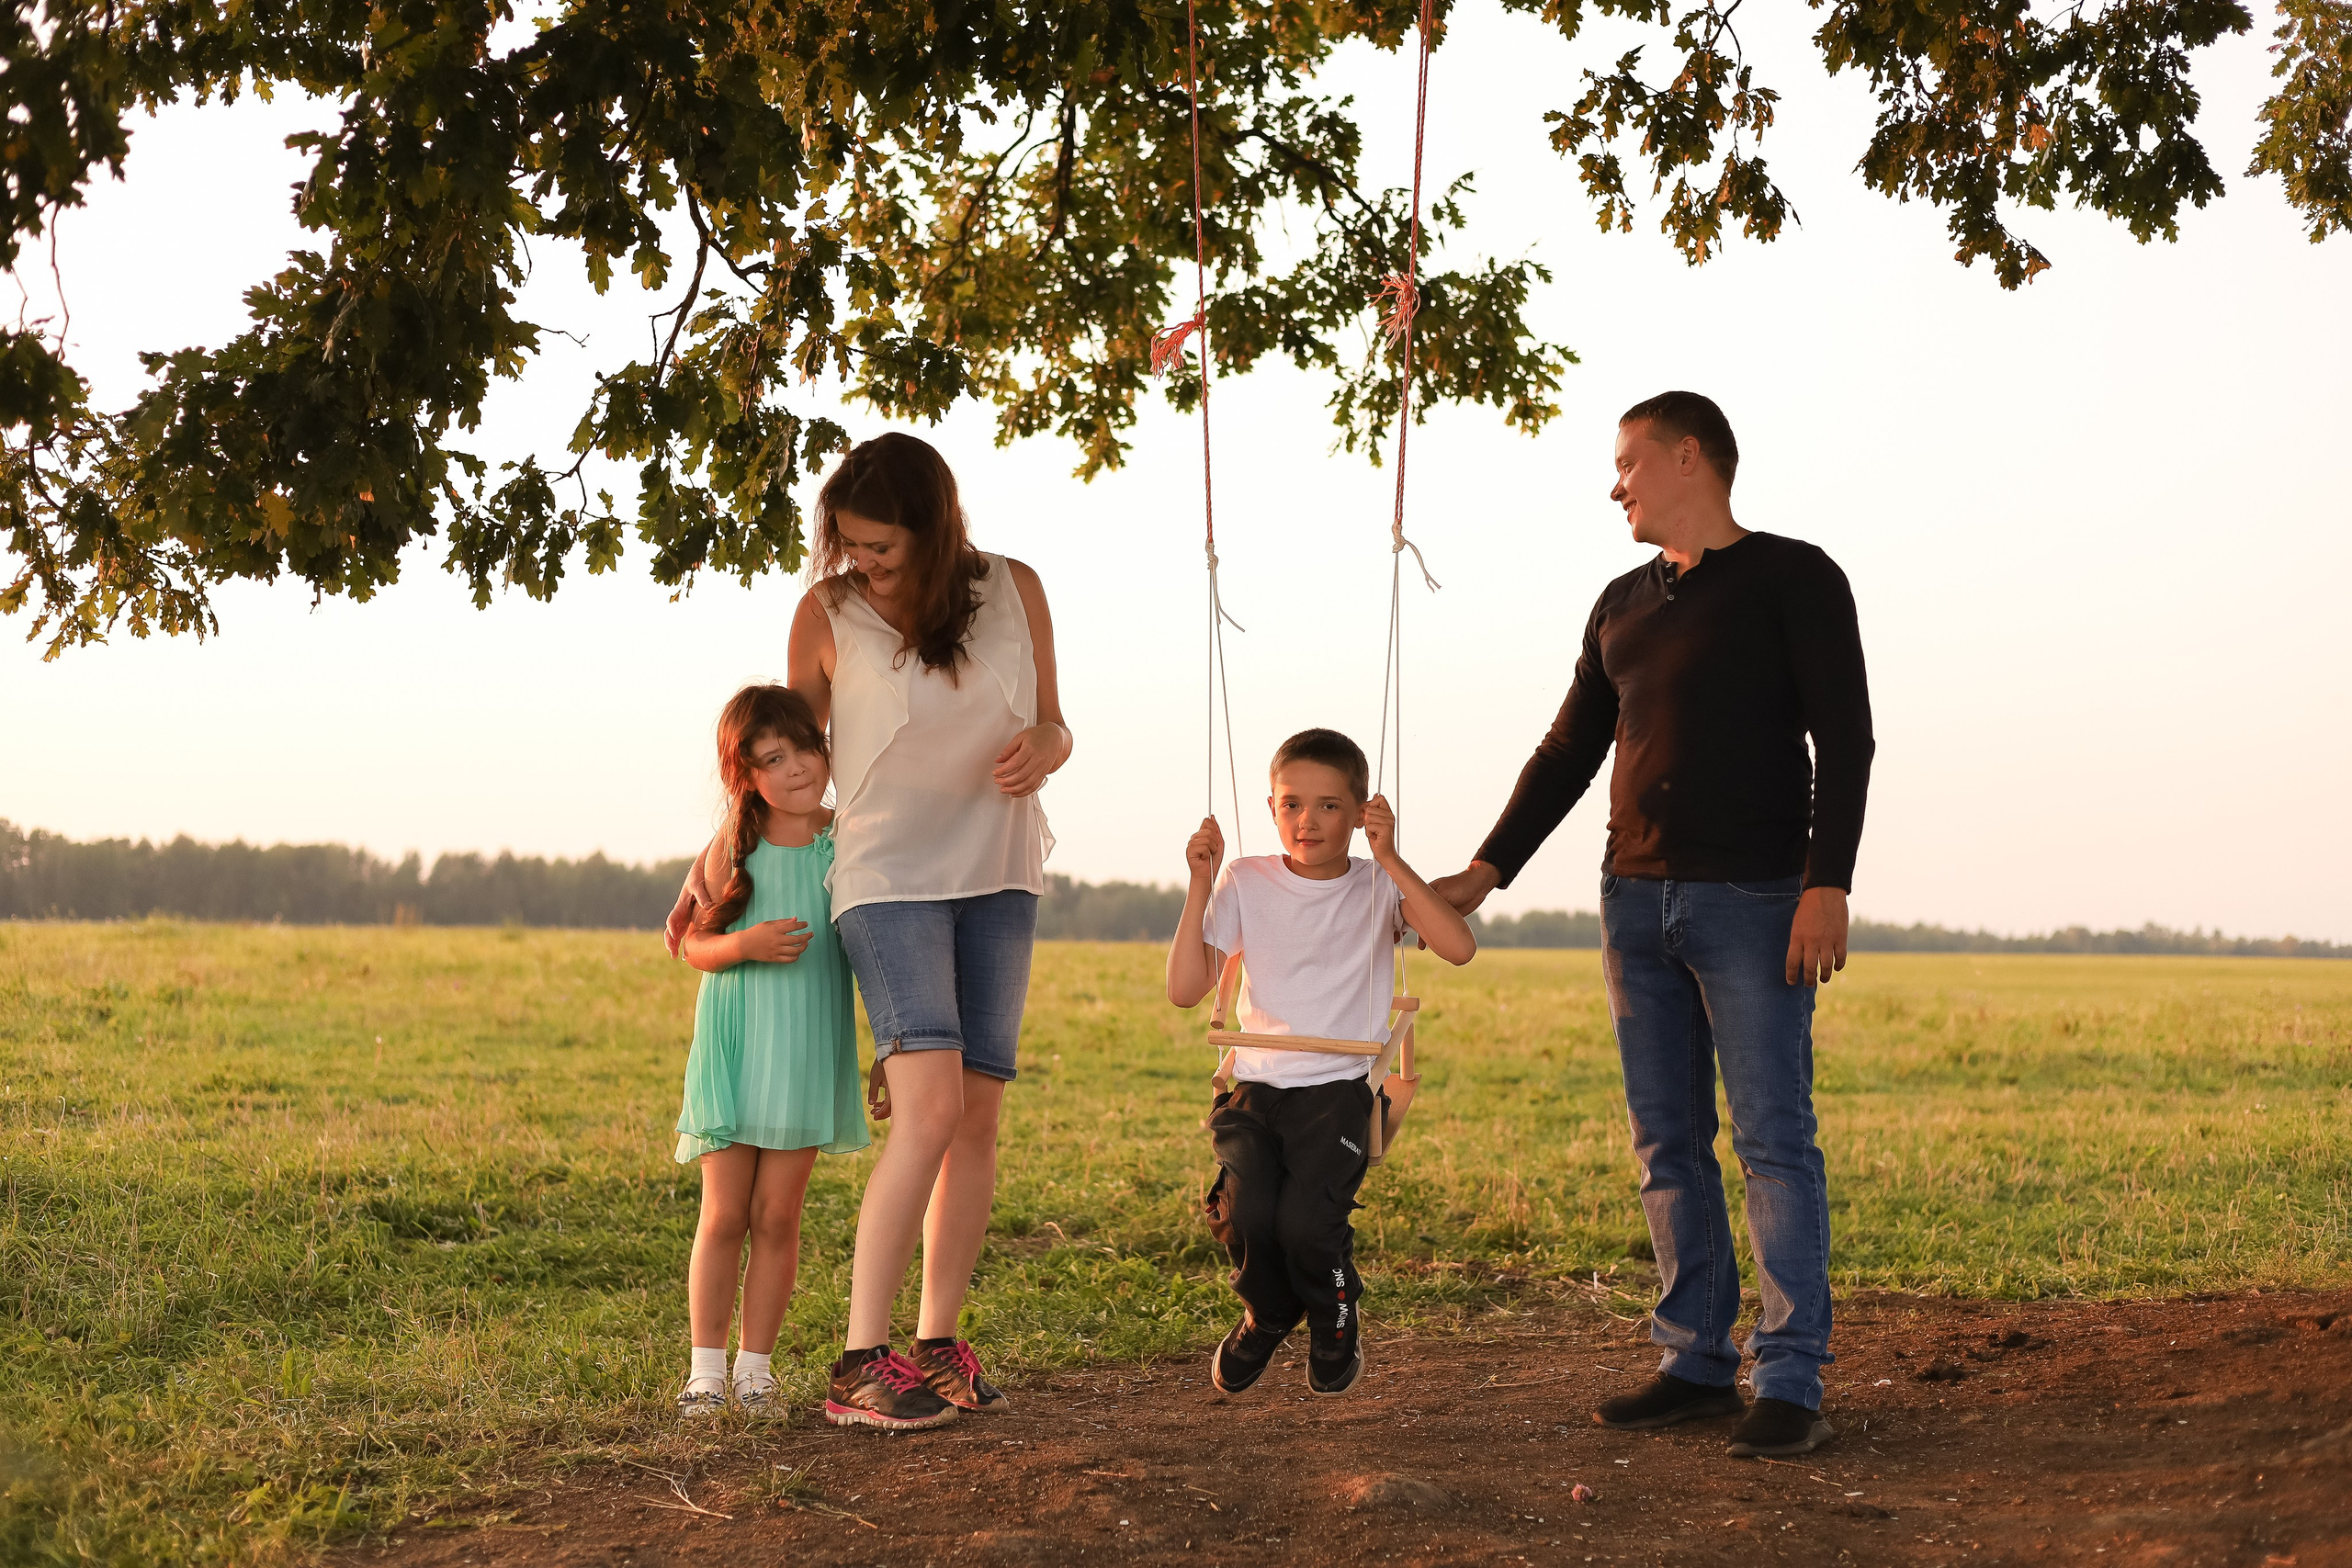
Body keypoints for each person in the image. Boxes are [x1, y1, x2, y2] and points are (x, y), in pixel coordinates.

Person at [1431, 391, 1873, 1461]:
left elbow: (1846, 737)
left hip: (1756, 902)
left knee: (1772, 1141)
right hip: (1632, 902)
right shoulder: (1620, 603)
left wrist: (1826, 884)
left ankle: (1791, 1377)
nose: (1614, 485)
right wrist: (1484, 872)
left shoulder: (1794, 577)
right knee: (1666, 1142)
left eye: (1627, 462)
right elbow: (1567, 751)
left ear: (1688, 458)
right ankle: (1695, 1363)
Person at [667, 432, 1070, 1431]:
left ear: (935, 528)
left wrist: (1046, 744)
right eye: (849, 543)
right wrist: (714, 858)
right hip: (887, 880)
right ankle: (859, 1361)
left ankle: (936, 1343)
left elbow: (1057, 723)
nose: (862, 561)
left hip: (1001, 870)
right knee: (929, 1111)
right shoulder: (827, 612)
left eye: (880, 545)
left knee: (976, 1116)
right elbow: (781, 763)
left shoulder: (1015, 588)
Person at [1166, 728, 1476, 1398]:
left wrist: (1390, 858)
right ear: (1271, 807)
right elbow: (1186, 989)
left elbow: (1459, 946)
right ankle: (1269, 1312)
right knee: (1245, 1216)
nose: (1307, 820)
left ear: (1361, 812)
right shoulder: (1245, 879)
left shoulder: (1376, 885)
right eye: (1292, 804)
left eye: (1330, 805)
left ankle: (1335, 1320)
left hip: (1338, 1090)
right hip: (1257, 1087)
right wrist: (1198, 883)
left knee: (1308, 1225)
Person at [671, 684, 869, 1417]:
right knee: (725, 1213)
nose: (796, 768)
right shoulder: (735, 843)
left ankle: (756, 1370)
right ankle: (706, 1372)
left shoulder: (848, 837)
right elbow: (694, 946)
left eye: (805, 749)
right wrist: (744, 944)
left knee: (779, 1214)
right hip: (735, 1044)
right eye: (772, 759)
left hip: (807, 1045)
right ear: (745, 775)